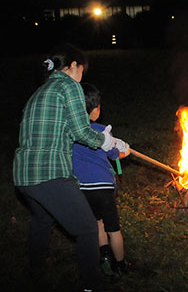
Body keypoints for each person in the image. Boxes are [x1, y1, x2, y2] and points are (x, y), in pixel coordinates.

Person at [13, 43, 120, 292]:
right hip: (49, 173)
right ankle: (91, 286)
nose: (81, 77)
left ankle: (36, 271)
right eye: (81, 70)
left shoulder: (41, 90)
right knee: (86, 228)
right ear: (73, 66)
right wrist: (104, 141)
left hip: (23, 174)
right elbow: (81, 131)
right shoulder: (67, 84)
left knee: (41, 218)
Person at [72, 83, 130, 278]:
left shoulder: (71, 132)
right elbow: (114, 154)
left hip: (82, 189)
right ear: (95, 110)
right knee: (113, 229)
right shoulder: (102, 130)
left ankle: (104, 254)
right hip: (103, 188)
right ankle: (121, 265)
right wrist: (125, 151)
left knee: (97, 223)